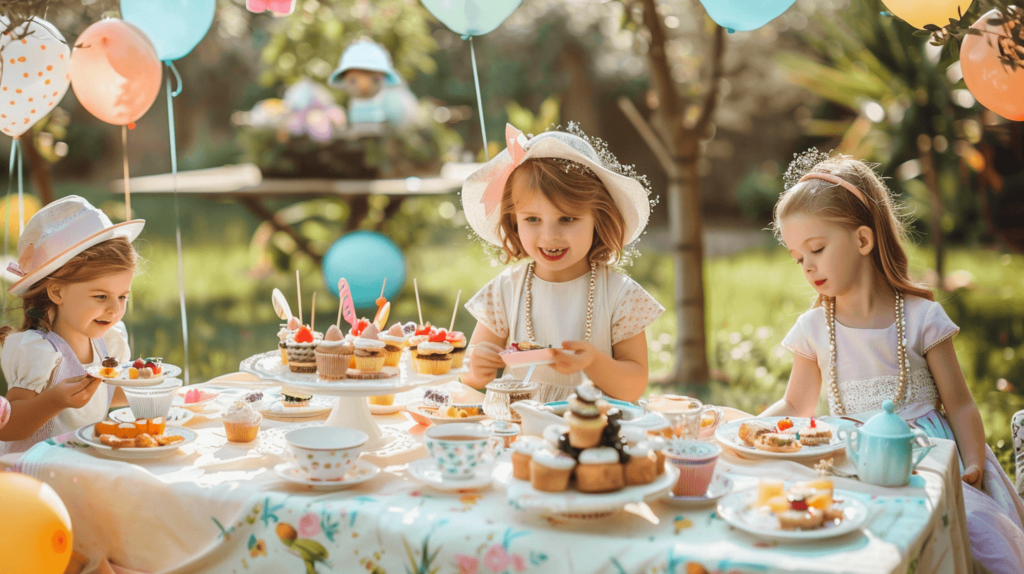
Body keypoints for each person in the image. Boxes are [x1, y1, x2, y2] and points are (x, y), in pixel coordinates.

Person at [765, 149, 1024, 572]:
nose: (807, 266)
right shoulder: (814, 327)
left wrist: (973, 462)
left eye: (816, 248)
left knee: (977, 539)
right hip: (851, 464)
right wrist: (749, 429)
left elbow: (959, 403)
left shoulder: (922, 318)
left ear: (863, 240)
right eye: (799, 258)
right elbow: (797, 407)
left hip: (928, 462)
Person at [460, 123, 664, 403]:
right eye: (532, 219)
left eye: (567, 219)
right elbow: (468, 375)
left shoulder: (620, 295)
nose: (549, 236)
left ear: (598, 219)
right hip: (517, 428)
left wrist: (592, 361)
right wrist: (476, 370)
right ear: (514, 221)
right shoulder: (505, 291)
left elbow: (633, 386)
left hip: (590, 430)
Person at [0, 196, 143, 454]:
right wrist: (54, 401)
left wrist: (144, 389)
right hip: (38, 473)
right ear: (57, 292)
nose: (115, 309)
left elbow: (103, 397)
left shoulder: (107, 344)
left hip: (82, 464)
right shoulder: (39, 351)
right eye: (101, 296)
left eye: (122, 297)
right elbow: (9, 426)